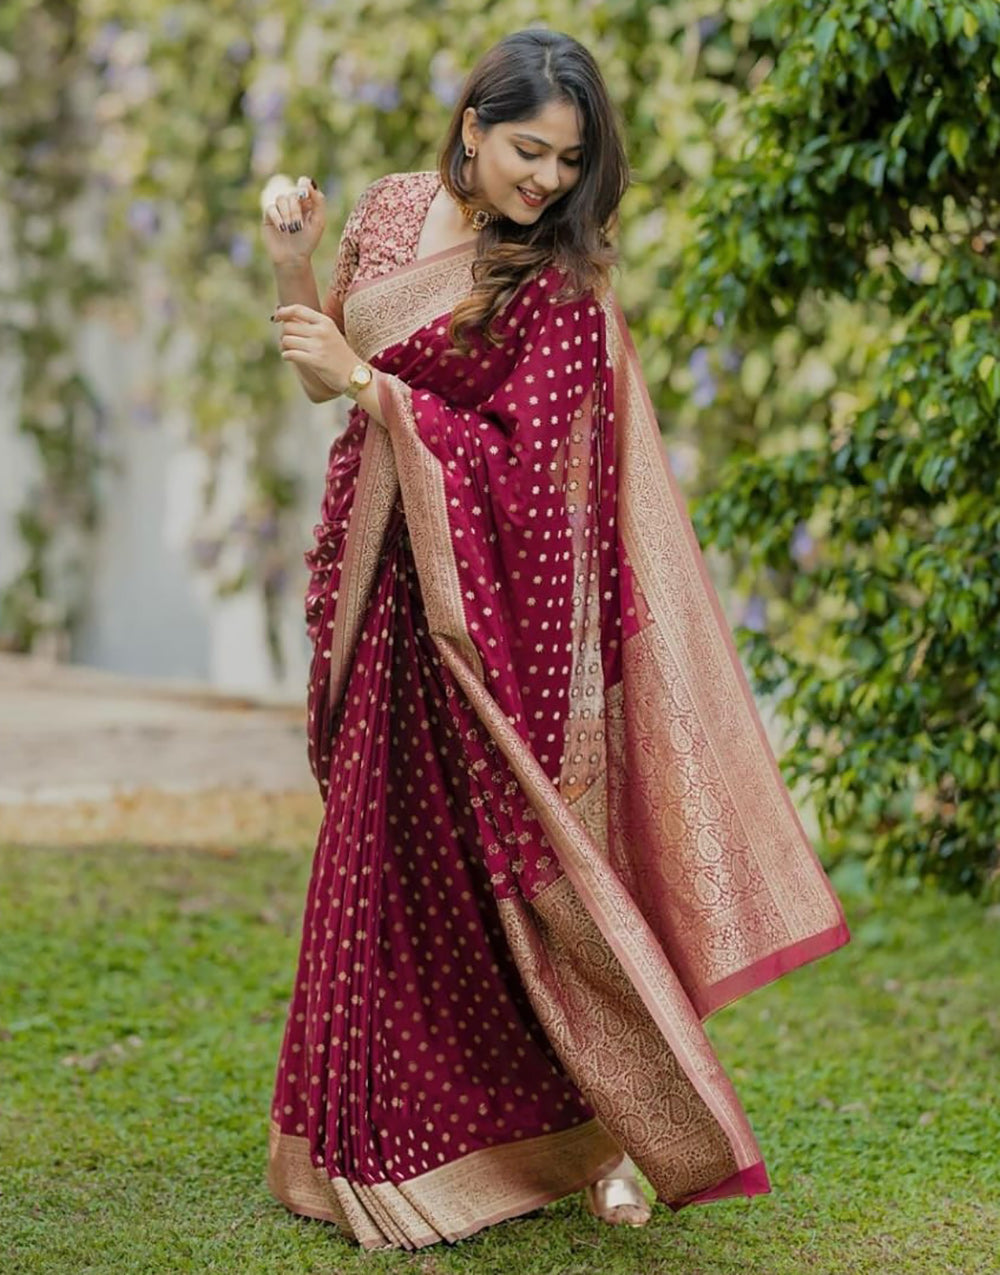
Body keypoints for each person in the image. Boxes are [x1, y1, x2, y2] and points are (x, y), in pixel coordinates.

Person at [259, 28, 850, 1253]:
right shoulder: (391, 207)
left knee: (523, 887)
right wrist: (294, 258)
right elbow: (327, 367)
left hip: (481, 624)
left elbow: (539, 484)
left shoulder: (558, 286)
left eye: (568, 162)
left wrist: (377, 393)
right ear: (472, 124)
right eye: (529, 149)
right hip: (384, 593)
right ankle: (403, 1135)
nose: (544, 180)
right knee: (392, 883)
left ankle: (608, 1131)